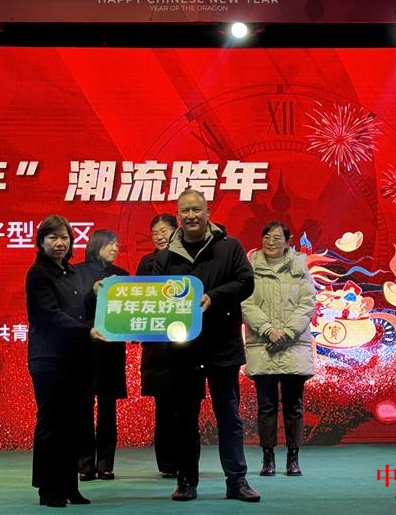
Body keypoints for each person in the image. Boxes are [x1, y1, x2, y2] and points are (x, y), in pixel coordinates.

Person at [152, 190, 260, 502]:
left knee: (229, 416)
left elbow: (246, 282)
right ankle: (186, 482)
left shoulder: (229, 247)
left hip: (222, 346)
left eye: (196, 210)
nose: (191, 216)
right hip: (182, 350)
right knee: (184, 418)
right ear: (178, 215)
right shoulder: (165, 257)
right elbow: (152, 297)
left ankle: (237, 481)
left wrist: (214, 297)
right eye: (185, 211)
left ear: (207, 212)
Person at [26, 214, 103, 508]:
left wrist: (96, 293)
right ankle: (48, 489)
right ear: (40, 242)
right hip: (49, 359)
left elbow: (81, 308)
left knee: (74, 423)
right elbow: (50, 315)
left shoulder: (73, 273)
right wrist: (88, 331)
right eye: (53, 238)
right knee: (52, 422)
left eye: (64, 237)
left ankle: (70, 486)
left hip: (77, 358)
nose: (60, 243)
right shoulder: (38, 274)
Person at [242, 221, 316, 477]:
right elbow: (246, 303)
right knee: (266, 407)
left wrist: (287, 332)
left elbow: (307, 303)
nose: (271, 242)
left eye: (276, 237)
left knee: (294, 406)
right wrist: (267, 330)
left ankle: (293, 459)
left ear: (288, 241)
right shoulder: (250, 268)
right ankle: (268, 458)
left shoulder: (300, 268)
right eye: (266, 237)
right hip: (263, 346)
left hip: (293, 347)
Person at [75, 230, 128, 481]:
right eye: (110, 244)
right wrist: (93, 292)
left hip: (111, 350)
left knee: (108, 408)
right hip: (84, 348)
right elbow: (73, 308)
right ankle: (85, 464)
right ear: (97, 245)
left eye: (117, 245)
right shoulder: (77, 273)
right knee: (83, 408)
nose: (115, 248)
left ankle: (106, 464)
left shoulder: (122, 276)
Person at [135, 213, 179, 478]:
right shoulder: (147, 263)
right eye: (155, 233)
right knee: (163, 407)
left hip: (186, 343)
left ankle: (187, 462)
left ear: (176, 231)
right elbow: (139, 300)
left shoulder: (187, 259)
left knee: (185, 406)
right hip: (158, 345)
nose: (160, 236)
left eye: (165, 231)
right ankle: (167, 464)